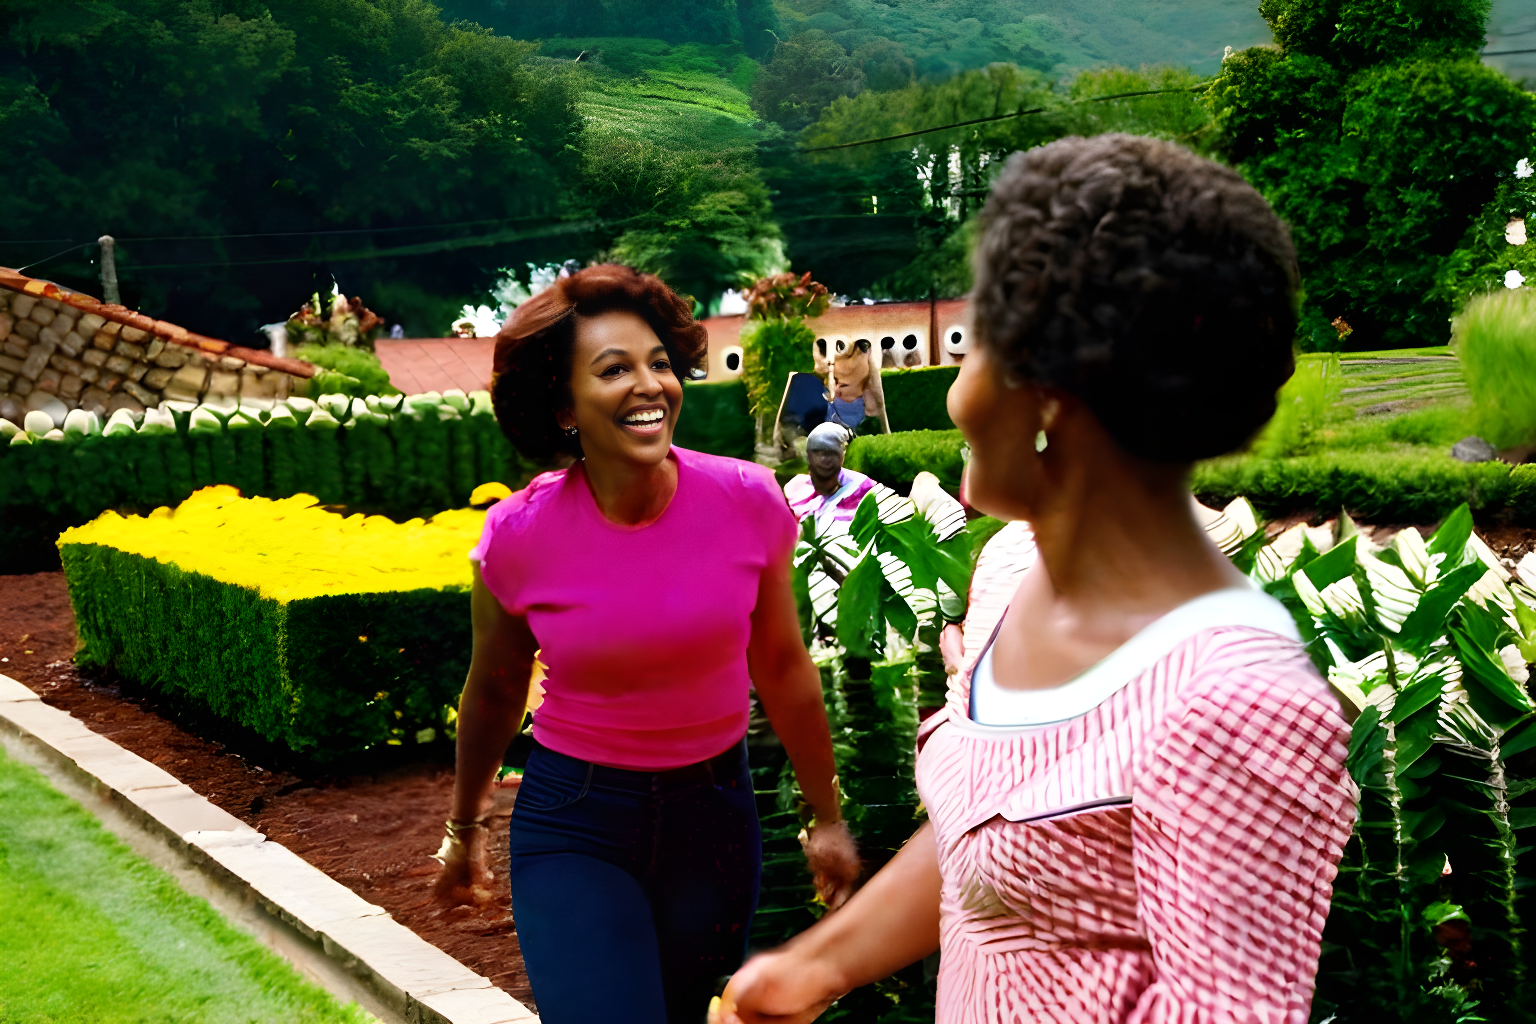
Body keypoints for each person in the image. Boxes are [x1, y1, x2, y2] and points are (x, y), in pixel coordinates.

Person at [715, 135, 1357, 1023]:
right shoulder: (1014, 568)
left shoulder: (1234, 710)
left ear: (1056, 392)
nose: (954, 393)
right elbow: (993, 839)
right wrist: (821, 964)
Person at [434, 264, 860, 1024]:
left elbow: (784, 666)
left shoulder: (746, 501)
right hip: (577, 822)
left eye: (660, 363)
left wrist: (825, 818)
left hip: (715, 819)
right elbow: (495, 689)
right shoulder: (519, 536)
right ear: (566, 404)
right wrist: (465, 830)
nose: (650, 385)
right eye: (614, 369)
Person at [782, 423, 877, 528]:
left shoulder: (863, 486)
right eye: (818, 452)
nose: (825, 459)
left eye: (832, 452)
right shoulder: (794, 488)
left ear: (843, 452)